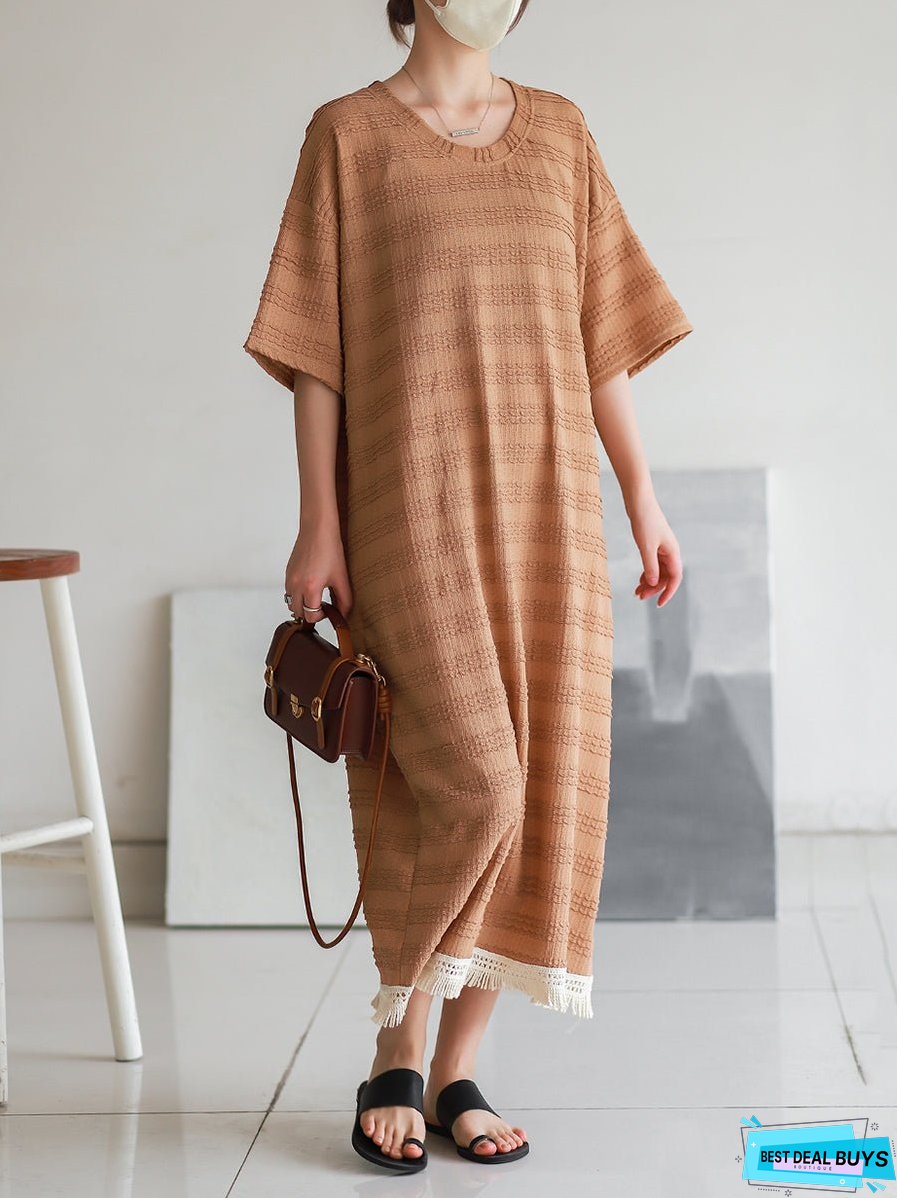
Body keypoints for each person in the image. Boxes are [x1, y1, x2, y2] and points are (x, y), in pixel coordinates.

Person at [243, 0, 693, 1175]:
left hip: (550, 512)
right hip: (410, 509)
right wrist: (319, 521)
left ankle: (454, 1071)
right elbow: (316, 354)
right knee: (470, 783)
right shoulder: (348, 138)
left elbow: (602, 337)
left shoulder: (561, 134)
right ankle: (397, 1039)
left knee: (533, 792)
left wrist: (642, 496)